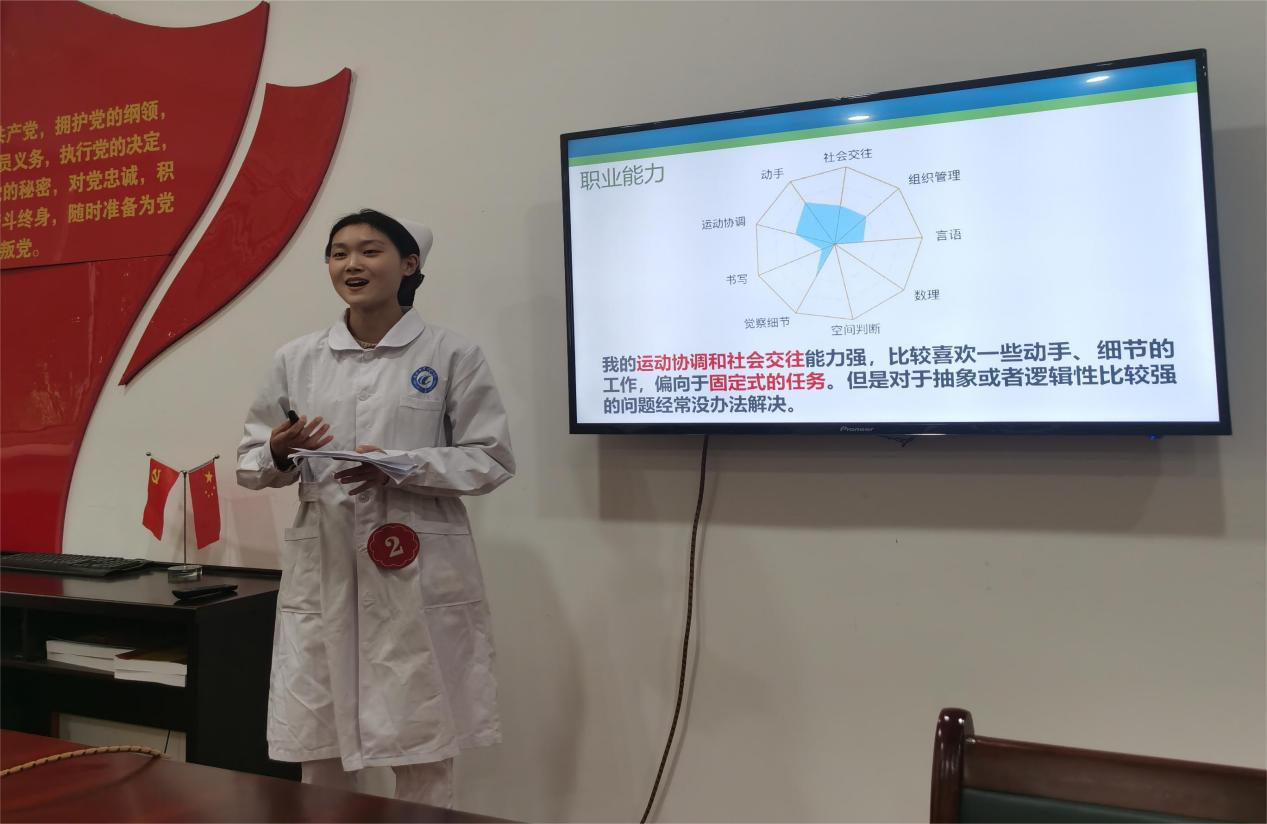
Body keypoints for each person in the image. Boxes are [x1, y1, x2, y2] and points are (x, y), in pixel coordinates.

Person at [236, 209, 514, 807]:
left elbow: (490, 459)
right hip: (327, 565)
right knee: (320, 741)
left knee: (422, 737)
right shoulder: (297, 359)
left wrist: (402, 465)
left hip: (416, 569)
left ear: (409, 264)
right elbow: (249, 464)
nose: (351, 265)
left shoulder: (451, 354)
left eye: (369, 251)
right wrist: (279, 451)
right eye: (338, 253)